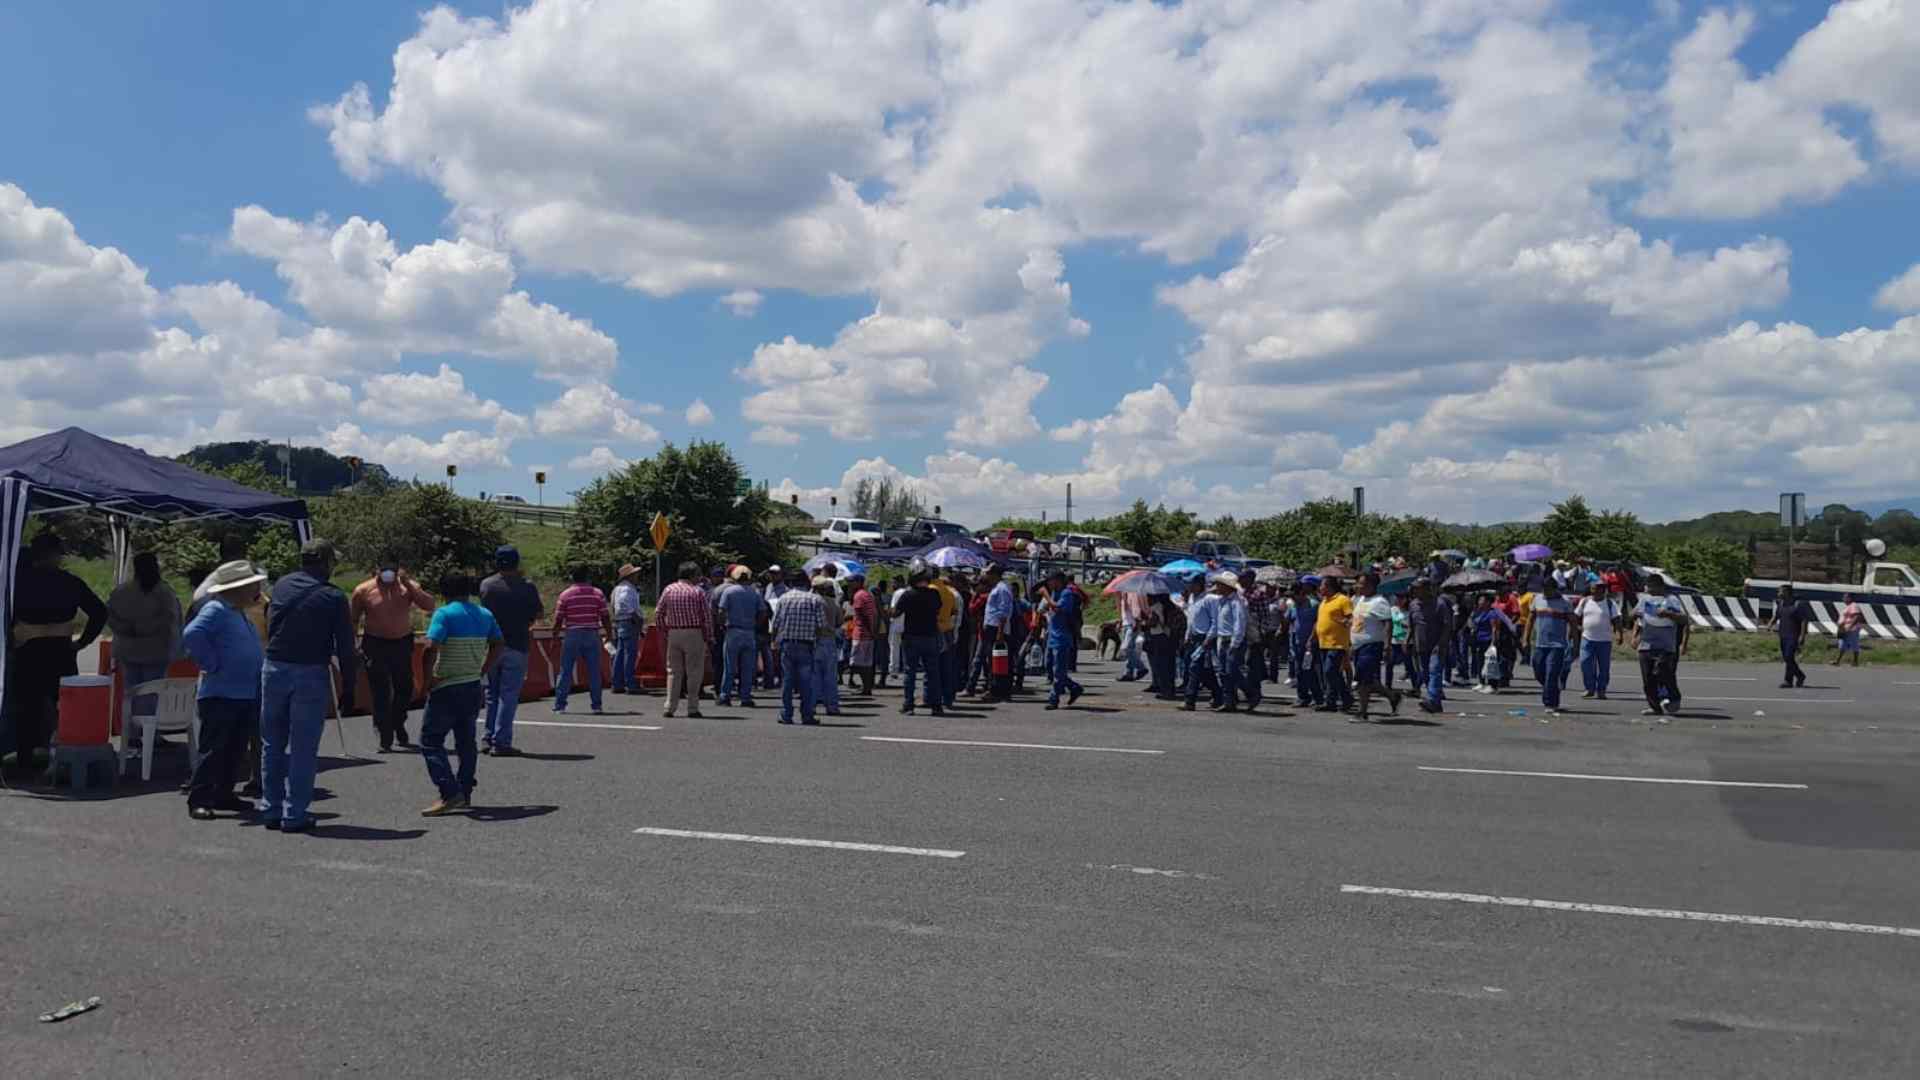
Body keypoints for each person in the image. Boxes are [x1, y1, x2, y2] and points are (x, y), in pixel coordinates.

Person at [261, 540, 357, 833]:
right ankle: (295, 813)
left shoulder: (281, 585)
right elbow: (345, 647)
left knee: (272, 744)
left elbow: (270, 623)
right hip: (309, 672)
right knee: (303, 747)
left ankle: (270, 809)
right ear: (327, 563)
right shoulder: (333, 597)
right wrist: (349, 688)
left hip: (274, 667)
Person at [6, 534, 107, 777]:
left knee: (26, 709)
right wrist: (82, 642)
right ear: (54, 555)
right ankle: (63, 758)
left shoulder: (16, 582)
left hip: (27, 653)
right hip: (61, 653)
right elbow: (99, 612)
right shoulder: (69, 582)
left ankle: (25, 760)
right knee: (65, 710)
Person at [179, 560, 267, 819]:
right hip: (221, 692)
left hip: (242, 691)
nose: (256, 589)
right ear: (236, 589)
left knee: (235, 748)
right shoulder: (216, 609)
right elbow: (192, 633)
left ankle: (224, 794)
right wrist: (210, 663)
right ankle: (200, 798)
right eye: (251, 585)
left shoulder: (236, 610)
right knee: (214, 748)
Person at [417, 572, 503, 816]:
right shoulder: (485, 614)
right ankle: (464, 791)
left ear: (444, 592)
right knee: (466, 742)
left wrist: (427, 681)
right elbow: (498, 643)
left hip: (447, 686)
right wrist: (483, 668)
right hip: (473, 684)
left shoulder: (444, 614)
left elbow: (430, 647)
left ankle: (449, 791)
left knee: (431, 741)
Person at [349, 561, 434, 752]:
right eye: (384, 571)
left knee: (405, 686)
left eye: (392, 572)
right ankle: (384, 732)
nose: (388, 575)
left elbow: (429, 605)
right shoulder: (363, 590)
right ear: (377, 571)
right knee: (380, 690)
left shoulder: (407, 586)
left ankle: (398, 721)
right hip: (375, 643)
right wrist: (353, 645)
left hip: (401, 642)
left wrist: (409, 584)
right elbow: (353, 619)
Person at [107, 551, 182, 746]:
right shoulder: (164, 592)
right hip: (156, 650)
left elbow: (111, 618)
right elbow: (171, 620)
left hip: (128, 650)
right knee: (152, 693)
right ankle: (151, 733)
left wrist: (128, 629)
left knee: (131, 691)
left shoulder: (121, 592)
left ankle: (132, 733)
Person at [479, 545, 542, 757]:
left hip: (491, 645)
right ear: (517, 562)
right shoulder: (527, 587)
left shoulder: (487, 586)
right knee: (509, 695)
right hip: (517, 643)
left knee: (491, 693)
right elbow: (537, 613)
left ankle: (487, 737)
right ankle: (501, 740)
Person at [654, 561, 712, 718]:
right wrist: (708, 636)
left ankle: (669, 706)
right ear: (692, 575)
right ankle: (692, 707)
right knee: (694, 671)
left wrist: (664, 631)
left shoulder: (669, 589)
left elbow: (658, 612)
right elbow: (706, 617)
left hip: (674, 632)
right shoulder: (697, 591)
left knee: (673, 671)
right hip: (694, 632)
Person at [552, 566, 611, 715]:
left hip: (572, 634)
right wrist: (609, 633)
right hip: (592, 634)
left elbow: (558, 619)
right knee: (594, 671)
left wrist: (555, 636)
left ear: (573, 577)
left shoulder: (565, 595)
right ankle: (596, 705)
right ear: (587, 577)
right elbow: (605, 616)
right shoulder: (597, 594)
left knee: (565, 670)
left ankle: (560, 705)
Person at [770, 570, 825, 724]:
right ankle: (807, 715)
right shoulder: (815, 599)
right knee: (806, 682)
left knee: (787, 681)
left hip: (787, 644)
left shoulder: (784, 598)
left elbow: (775, 624)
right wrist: (817, 641)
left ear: (791, 582)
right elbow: (821, 626)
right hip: (806, 645)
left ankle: (786, 714)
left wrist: (774, 641)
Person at [1347, 572, 1402, 721]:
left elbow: (1388, 623)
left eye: (1362, 584)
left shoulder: (1379, 601)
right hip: (1359, 646)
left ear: (1371, 585)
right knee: (1369, 681)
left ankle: (1362, 712)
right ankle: (1392, 696)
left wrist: (1387, 645)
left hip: (1371, 646)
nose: (1358, 586)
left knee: (1363, 681)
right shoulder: (1361, 600)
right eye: (1358, 583)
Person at [1632, 576, 1689, 717]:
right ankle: (1654, 707)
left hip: (1665, 645)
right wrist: (1636, 614)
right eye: (1647, 587)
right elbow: (1632, 615)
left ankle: (1674, 697)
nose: (1648, 590)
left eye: (1651, 588)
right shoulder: (1644, 600)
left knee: (1663, 671)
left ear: (1660, 587)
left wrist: (1668, 614)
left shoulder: (1672, 600)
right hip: (1646, 644)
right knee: (1648, 679)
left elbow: (1684, 619)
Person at [896, 562, 946, 716]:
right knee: (933, 672)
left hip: (912, 637)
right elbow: (938, 609)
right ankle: (936, 705)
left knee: (910, 672)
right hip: (930, 636)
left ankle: (908, 704)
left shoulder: (907, 594)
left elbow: (896, 613)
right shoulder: (934, 594)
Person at [713, 566, 764, 707]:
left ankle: (725, 695)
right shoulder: (755, 593)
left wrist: (722, 625)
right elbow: (762, 612)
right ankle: (745, 697)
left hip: (733, 631)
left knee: (729, 666)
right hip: (749, 632)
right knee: (748, 667)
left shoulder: (729, 592)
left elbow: (721, 611)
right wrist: (756, 625)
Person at [1040, 570, 1085, 710]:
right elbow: (1048, 607)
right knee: (1054, 670)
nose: (1048, 583)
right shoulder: (1055, 593)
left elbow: (1058, 608)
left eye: (1050, 580)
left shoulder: (1067, 594)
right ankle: (1074, 687)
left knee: (1059, 671)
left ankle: (1053, 699)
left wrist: (1046, 595)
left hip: (1062, 638)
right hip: (1052, 635)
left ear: (1058, 580)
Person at [1529, 578, 1574, 715]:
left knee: (1551, 675)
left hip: (1557, 645)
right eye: (1543, 589)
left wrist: (1575, 644)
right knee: (1538, 671)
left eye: (1548, 589)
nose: (1545, 592)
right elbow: (1530, 619)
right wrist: (1525, 638)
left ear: (1554, 589)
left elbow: (1573, 623)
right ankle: (1554, 686)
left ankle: (1550, 703)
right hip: (1540, 644)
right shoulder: (1537, 599)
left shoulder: (1565, 602)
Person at [1180, 578, 1222, 712]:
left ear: (1199, 585)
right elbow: (1190, 620)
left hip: (1204, 638)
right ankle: (1218, 694)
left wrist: (1209, 638)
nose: (1189, 586)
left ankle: (1189, 700)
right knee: (1203, 671)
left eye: (1192, 584)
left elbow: (1215, 621)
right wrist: (1187, 636)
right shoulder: (1192, 598)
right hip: (1193, 637)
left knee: (1194, 668)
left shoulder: (1210, 599)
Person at [1411, 579, 1453, 714]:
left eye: (1418, 588)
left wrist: (1442, 643)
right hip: (1420, 645)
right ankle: (1435, 701)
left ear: (1426, 589)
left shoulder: (1440, 604)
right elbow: (1413, 624)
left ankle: (1432, 700)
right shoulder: (1413, 605)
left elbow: (1447, 625)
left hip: (1436, 644)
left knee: (1434, 670)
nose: (1415, 591)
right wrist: (1408, 640)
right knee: (1425, 673)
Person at [1574, 581, 1622, 700]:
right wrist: (1576, 628)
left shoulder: (1610, 603)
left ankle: (1601, 690)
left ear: (1603, 590)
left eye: (1597, 589)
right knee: (1585, 663)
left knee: (1604, 667)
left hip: (1604, 640)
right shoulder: (1585, 601)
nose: (1594, 591)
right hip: (1587, 638)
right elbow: (1575, 616)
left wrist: (1618, 634)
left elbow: (1616, 619)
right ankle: (1589, 689)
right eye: (1592, 588)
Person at [1314, 577, 1354, 713]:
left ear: (1329, 586)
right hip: (1323, 643)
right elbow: (1319, 622)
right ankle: (1331, 702)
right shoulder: (1323, 602)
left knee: (1330, 671)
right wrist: (1311, 638)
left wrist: (1343, 621)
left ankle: (1345, 697)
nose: (1320, 588)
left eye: (1322, 586)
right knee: (1330, 674)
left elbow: (1351, 619)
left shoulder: (1343, 600)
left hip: (1337, 643)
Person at [1765, 584, 1815, 690]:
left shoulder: (1798, 604)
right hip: (1783, 634)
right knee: (1787, 658)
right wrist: (1770, 624)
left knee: (1788, 657)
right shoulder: (1781, 604)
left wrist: (1802, 636)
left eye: (1780, 591)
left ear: (1787, 592)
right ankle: (1798, 676)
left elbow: (1804, 621)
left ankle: (1789, 680)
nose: (1778, 593)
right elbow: (1776, 616)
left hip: (1793, 635)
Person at [811, 575, 845, 716]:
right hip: (830, 640)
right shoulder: (833, 603)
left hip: (814, 640)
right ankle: (832, 706)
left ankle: (811, 705)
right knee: (830, 676)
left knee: (814, 676)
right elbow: (839, 622)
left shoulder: (812, 601)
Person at [610, 565, 645, 695]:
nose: (637, 576)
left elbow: (614, 606)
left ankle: (617, 682)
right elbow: (623, 604)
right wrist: (636, 617)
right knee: (630, 654)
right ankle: (630, 683)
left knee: (620, 653)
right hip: (629, 622)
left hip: (621, 622)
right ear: (629, 576)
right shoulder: (627, 589)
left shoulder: (617, 589)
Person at [1290, 580, 1322, 708]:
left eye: (1295, 596)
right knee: (1299, 671)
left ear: (1302, 594)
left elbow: (1318, 623)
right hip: (1297, 642)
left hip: (1310, 643)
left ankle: (1317, 697)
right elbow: (1291, 620)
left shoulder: (1314, 605)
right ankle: (1303, 697)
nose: (1293, 599)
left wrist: (1311, 638)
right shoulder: (1294, 606)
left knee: (1310, 670)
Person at [845, 572, 878, 696]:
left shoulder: (859, 596)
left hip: (862, 633)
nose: (849, 584)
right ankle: (866, 687)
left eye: (851, 582)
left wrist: (869, 630)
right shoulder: (866, 594)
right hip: (867, 633)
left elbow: (864, 615)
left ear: (858, 583)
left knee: (858, 663)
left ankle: (866, 688)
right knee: (866, 663)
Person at [1834, 593, 1864, 667]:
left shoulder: (1854, 605)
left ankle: (1855, 661)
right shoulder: (1847, 607)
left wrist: (1850, 626)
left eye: (1845, 597)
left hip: (1851, 629)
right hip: (1844, 628)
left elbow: (1857, 616)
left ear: (1849, 598)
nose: (1843, 599)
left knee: (1854, 644)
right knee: (1842, 644)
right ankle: (1838, 661)